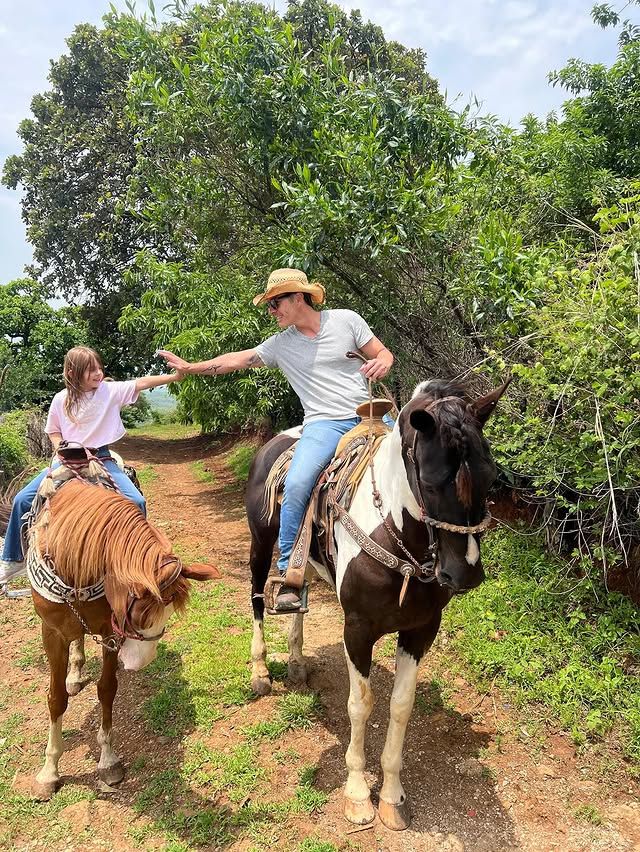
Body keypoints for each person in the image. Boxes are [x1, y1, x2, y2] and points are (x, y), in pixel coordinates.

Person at [158, 267, 394, 611]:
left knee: (416, 457)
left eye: (275, 303)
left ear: (298, 297)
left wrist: (383, 362)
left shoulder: (346, 320)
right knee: (298, 483)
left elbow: (382, 352)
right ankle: (290, 574)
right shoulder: (281, 344)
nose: (271, 311)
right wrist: (191, 368)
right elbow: (235, 360)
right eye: (269, 305)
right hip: (324, 424)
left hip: (371, 413)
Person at [0, 346, 183, 591]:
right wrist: (60, 446)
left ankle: (137, 557)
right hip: (66, 459)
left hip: (101, 459)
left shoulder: (109, 391)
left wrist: (175, 376)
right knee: (23, 499)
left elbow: (141, 383)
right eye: (91, 370)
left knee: (136, 501)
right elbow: (53, 431)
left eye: (99, 368)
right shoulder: (60, 399)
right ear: (73, 372)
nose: (98, 373)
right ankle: (12, 560)